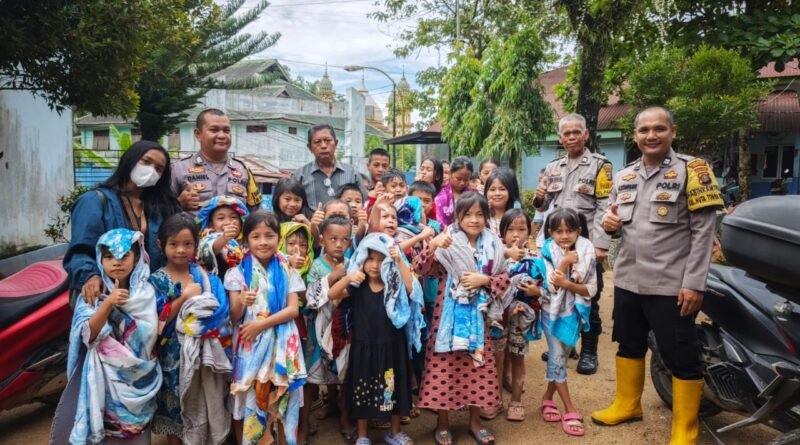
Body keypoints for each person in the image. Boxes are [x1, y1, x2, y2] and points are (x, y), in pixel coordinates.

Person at [591, 106, 723, 445]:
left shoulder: (693, 170)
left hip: (671, 285)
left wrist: (694, 283)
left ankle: (685, 428)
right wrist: (611, 226)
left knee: (680, 354)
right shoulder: (625, 176)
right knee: (628, 343)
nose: (651, 135)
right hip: (628, 280)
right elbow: (617, 223)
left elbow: (704, 233)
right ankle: (628, 404)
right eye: (644, 130)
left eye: (659, 129)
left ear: (672, 132)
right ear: (635, 135)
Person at [413, 192, 509, 445]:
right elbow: (420, 268)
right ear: (457, 216)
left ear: (487, 217)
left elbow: (505, 279)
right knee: (445, 368)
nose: (474, 220)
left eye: (479, 214)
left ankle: (475, 423)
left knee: (478, 368)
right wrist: (433, 245)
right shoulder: (447, 242)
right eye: (468, 214)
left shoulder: (494, 244)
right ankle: (442, 423)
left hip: (480, 321)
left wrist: (485, 280)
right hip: (447, 321)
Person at [54, 228, 162, 445]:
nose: (116, 262)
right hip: (106, 383)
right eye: (109, 256)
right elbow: (88, 336)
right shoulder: (93, 294)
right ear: (100, 259)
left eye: (124, 256)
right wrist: (108, 303)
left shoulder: (148, 293)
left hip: (141, 380)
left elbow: (152, 334)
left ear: (137, 257)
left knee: (140, 437)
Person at [532, 113, 613, 375]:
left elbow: (604, 205)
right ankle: (566, 345)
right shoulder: (552, 168)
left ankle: (589, 352)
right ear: (560, 137)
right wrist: (539, 198)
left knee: (588, 296)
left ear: (585, 135)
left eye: (576, 132)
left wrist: (600, 244)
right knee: (557, 294)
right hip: (556, 244)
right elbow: (543, 207)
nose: (571, 137)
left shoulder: (600, 166)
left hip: (585, 245)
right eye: (566, 133)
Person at [329, 233, 424, 445]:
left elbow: (413, 290)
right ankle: (363, 435)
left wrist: (399, 260)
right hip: (364, 348)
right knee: (363, 391)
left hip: (392, 348)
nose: (374, 265)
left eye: (381, 260)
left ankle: (394, 432)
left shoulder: (395, 285)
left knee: (394, 389)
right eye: (370, 258)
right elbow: (332, 294)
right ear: (362, 259)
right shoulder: (357, 286)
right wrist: (348, 278)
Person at [225, 211, 307, 445]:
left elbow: (293, 310)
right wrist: (242, 301)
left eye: (269, 236)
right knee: (250, 400)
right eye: (256, 236)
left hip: (282, 347)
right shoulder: (237, 273)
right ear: (246, 241)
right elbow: (235, 316)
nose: (263, 242)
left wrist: (261, 324)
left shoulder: (287, 269)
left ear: (278, 239)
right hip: (251, 349)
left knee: (284, 400)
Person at [64, 140, 179, 307]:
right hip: (107, 297)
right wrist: (90, 276)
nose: (151, 170)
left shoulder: (163, 207)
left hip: (149, 300)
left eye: (158, 169)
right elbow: (80, 251)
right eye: (146, 162)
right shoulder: (94, 201)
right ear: (131, 160)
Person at [150, 213, 232, 445]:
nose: (180, 250)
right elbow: (155, 323)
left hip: (203, 358)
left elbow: (221, 312)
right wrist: (184, 297)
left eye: (187, 244)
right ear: (161, 245)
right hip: (171, 361)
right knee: (175, 412)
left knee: (204, 406)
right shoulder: (156, 281)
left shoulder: (206, 277)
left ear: (196, 246)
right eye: (173, 244)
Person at [539, 208, 596, 437]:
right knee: (558, 357)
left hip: (575, 312)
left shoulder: (587, 249)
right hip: (550, 312)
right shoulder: (545, 252)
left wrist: (569, 284)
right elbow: (551, 287)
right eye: (558, 231)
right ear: (550, 232)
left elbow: (591, 289)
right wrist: (563, 264)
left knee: (561, 356)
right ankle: (569, 409)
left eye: (569, 230)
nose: (564, 236)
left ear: (579, 231)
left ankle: (547, 398)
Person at [303, 215, 356, 443]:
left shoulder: (352, 263)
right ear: (322, 240)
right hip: (318, 329)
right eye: (333, 239)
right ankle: (303, 424)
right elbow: (311, 297)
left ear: (350, 241)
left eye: (344, 240)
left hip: (343, 328)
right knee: (311, 379)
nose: (339, 244)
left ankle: (345, 418)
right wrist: (332, 277)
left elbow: (353, 292)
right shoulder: (316, 265)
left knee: (344, 376)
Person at [171, 108, 262, 214]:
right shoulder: (178, 170)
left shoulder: (243, 170)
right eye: (214, 130)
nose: (222, 136)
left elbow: (256, 215)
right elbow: (160, 213)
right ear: (198, 134)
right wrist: (178, 204)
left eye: (226, 130)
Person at [291, 124, 367, 210]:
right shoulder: (300, 175)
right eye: (317, 142)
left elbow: (364, 203)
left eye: (328, 140)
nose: (323, 146)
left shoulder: (352, 173)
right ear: (310, 148)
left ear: (336, 143)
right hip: (311, 219)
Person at [195, 196, 249, 278]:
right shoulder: (207, 239)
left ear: (241, 222)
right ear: (211, 224)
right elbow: (209, 248)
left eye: (233, 217)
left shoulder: (248, 242)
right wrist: (224, 238)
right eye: (221, 218)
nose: (227, 222)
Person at [434, 156, 473, 227]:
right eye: (459, 178)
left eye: (466, 179)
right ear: (450, 174)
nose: (462, 183)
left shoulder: (473, 195)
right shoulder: (441, 197)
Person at [484, 167, 520, 235]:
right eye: (492, 189)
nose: (497, 193)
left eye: (502, 189)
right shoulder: (482, 216)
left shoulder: (518, 217)